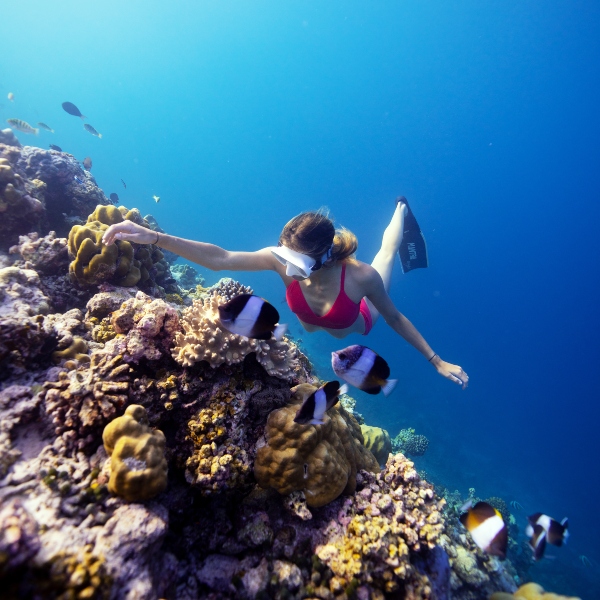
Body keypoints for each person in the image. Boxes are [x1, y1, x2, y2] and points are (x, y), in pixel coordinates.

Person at [102, 199, 468, 388]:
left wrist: (437, 361)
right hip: (315, 323)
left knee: (385, 256)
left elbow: (394, 317)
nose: (288, 270)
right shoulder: (279, 261)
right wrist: (156, 237)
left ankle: (401, 210)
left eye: (298, 262)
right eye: (284, 256)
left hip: (359, 318)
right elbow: (221, 258)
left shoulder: (360, 278)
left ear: (325, 254)